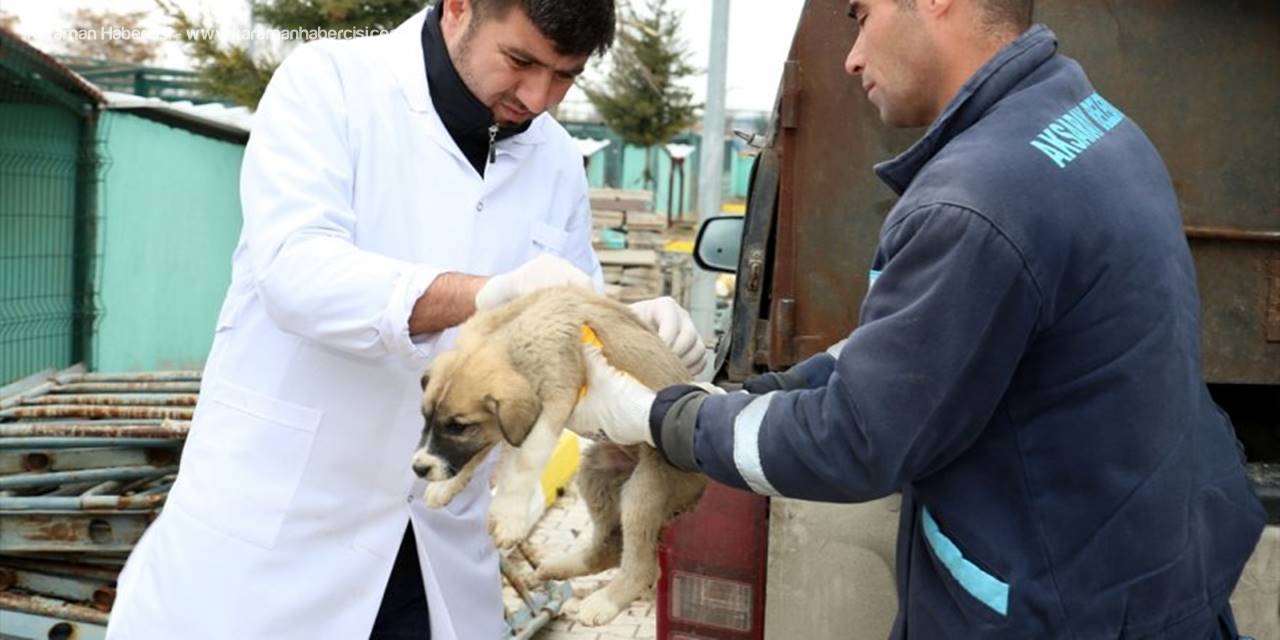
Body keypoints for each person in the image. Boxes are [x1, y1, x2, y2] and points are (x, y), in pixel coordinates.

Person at [573, 0, 1268, 637]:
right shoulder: (1089, 123)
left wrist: (657, 416)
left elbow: (856, 439)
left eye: (861, 13)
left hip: (1049, 617)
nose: (851, 55)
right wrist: (749, 397)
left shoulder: (976, 200)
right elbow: (912, 355)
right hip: (1149, 585)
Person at [105, 1, 705, 638]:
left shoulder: (555, 159)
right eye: (521, 61)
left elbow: (566, 326)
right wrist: (488, 293)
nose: (538, 97)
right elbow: (295, 271)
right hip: (281, 536)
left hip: (437, 547)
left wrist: (635, 338)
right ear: (459, 9)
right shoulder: (329, 83)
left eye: (566, 76)